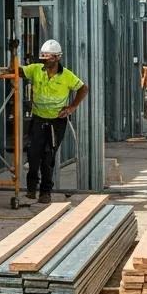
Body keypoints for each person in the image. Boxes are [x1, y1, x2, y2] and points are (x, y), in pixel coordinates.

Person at [21, 39, 89, 203]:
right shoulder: (36, 69)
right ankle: (31, 189)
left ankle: (45, 192)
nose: (45, 60)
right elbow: (17, 71)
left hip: (56, 122)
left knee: (48, 157)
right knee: (33, 154)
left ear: (57, 57)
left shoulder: (66, 76)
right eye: (43, 57)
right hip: (38, 119)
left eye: (48, 57)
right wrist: (13, 54)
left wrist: (71, 107)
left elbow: (83, 88)